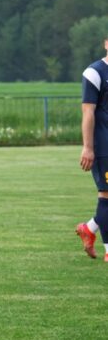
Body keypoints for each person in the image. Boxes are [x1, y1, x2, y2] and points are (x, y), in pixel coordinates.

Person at [76, 35, 108, 261]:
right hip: (104, 146)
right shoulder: (94, 73)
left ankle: (89, 228)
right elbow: (88, 112)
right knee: (106, 195)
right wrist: (88, 147)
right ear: (106, 43)